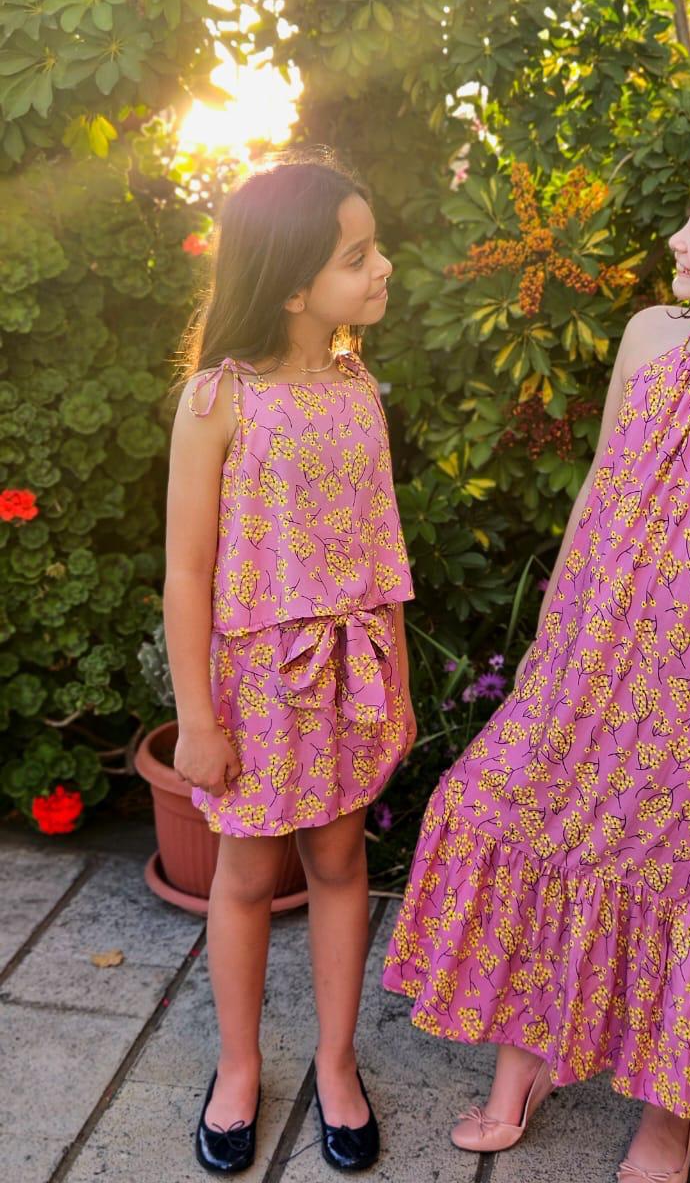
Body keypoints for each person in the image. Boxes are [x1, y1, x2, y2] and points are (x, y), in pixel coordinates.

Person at [383, 135, 690, 1182]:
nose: (677, 242)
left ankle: (669, 1112)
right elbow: (600, 498)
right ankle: (528, 1051)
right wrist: (547, 652)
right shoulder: (650, 338)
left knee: (681, 887)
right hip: (584, 676)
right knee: (513, 820)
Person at [164, 152, 415, 1175]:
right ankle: (237, 1066)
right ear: (292, 286)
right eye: (358, 256)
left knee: (340, 862)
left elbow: (378, 556)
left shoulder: (359, 390)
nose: (383, 267)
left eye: (374, 248)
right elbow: (187, 572)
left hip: (349, 677)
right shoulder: (217, 399)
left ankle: (338, 1061)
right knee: (244, 874)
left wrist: (394, 684)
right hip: (255, 689)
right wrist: (196, 719)